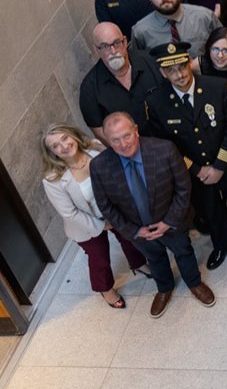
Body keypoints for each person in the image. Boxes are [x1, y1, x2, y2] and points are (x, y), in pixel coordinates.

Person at [145, 41, 227, 270]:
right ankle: (223, 243)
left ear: (189, 63)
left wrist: (220, 165)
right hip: (195, 172)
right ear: (163, 72)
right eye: (171, 70)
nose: (179, 74)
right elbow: (165, 145)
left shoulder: (218, 86)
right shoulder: (156, 103)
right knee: (211, 210)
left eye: (182, 66)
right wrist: (197, 169)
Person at [90, 112, 214, 318]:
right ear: (107, 141)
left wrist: (168, 222)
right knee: (155, 258)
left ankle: (194, 283)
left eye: (126, 135)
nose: (123, 144)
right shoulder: (99, 166)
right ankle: (164, 288)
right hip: (139, 230)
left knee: (184, 252)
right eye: (115, 140)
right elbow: (106, 207)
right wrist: (135, 231)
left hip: (172, 222)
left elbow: (184, 188)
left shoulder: (164, 149)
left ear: (136, 130)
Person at [40, 124, 149, 309]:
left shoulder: (96, 148)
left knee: (129, 239)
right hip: (84, 224)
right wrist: (103, 226)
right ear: (52, 153)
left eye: (65, 138)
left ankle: (138, 263)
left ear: (72, 135)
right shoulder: (53, 179)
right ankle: (105, 289)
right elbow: (70, 213)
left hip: (114, 210)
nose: (64, 146)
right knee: (99, 257)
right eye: (56, 146)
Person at [79, 22, 165, 143]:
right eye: (105, 46)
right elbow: (99, 131)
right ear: (96, 50)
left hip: (172, 138)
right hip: (132, 151)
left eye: (116, 43)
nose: (113, 51)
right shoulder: (89, 89)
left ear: (124, 42)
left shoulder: (151, 62)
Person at [131, 0, 221, 59]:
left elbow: (226, 49)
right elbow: (141, 65)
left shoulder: (204, 17)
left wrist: (202, 64)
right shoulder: (140, 32)